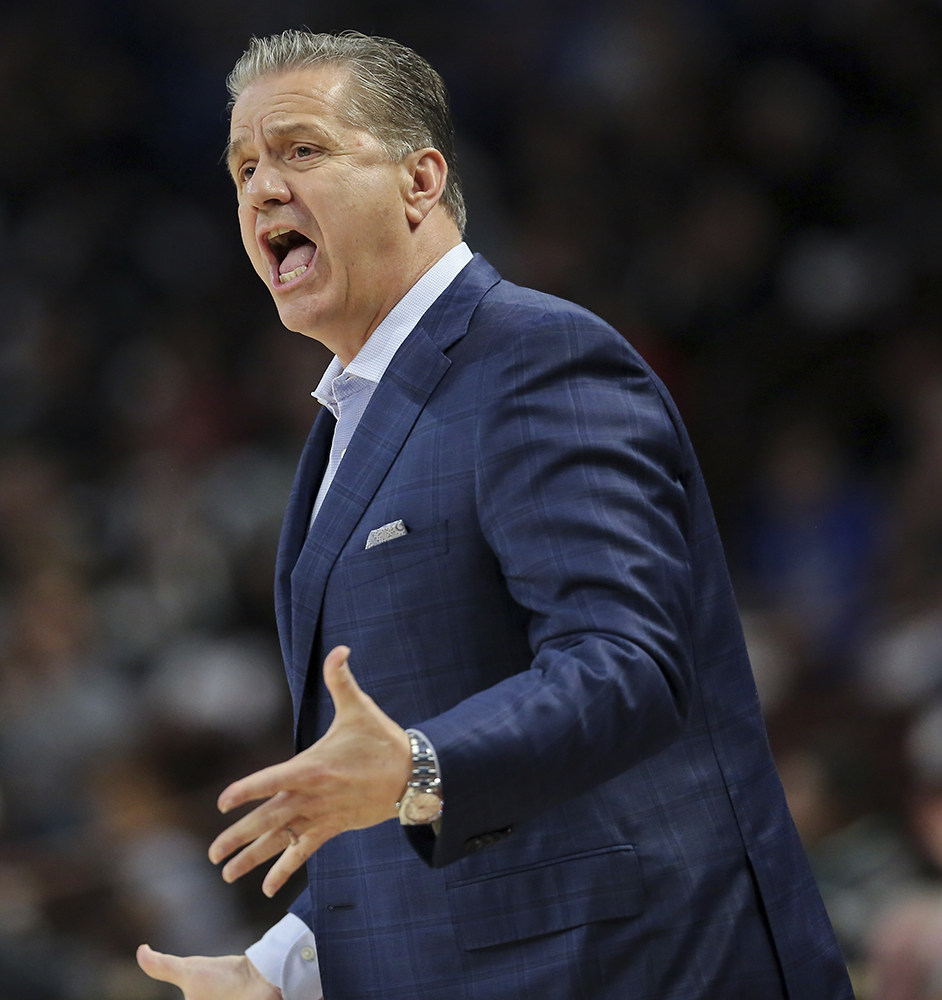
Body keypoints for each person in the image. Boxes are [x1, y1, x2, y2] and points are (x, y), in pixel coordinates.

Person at [136, 29, 855, 1000]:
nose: (261, 188)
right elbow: (410, 771)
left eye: (301, 151)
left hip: (638, 971)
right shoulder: (347, 419)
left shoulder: (536, 359)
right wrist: (285, 965)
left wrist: (414, 766)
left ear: (420, 180)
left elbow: (626, 666)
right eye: (243, 167)